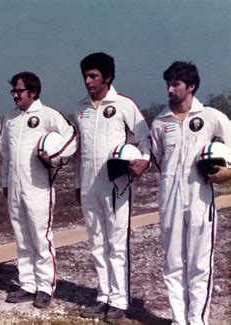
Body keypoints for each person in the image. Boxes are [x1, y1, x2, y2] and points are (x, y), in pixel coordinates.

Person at [71, 52, 151, 322]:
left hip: (116, 184)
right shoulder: (80, 109)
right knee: (96, 242)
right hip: (88, 185)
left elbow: (145, 138)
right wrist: (76, 183)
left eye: (93, 76)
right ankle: (103, 295)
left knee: (117, 243)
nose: (88, 81)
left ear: (108, 77)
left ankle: (119, 301)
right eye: (85, 75)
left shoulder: (123, 104)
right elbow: (78, 151)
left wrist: (144, 161)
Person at [151, 61, 231, 325]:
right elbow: (160, 159)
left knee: (199, 263)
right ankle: (178, 319)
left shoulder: (211, 116)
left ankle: (197, 319)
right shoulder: (160, 122)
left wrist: (228, 173)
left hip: (200, 197)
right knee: (173, 263)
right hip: (169, 198)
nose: (170, 90)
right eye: (168, 84)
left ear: (191, 86)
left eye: (175, 84)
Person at [0, 71, 77, 308]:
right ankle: (27, 284)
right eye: (13, 91)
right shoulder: (11, 119)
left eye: (19, 91)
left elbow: (71, 137)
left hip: (39, 187)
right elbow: (5, 154)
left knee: (40, 237)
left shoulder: (47, 114)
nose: (15, 95)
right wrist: (5, 183)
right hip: (15, 186)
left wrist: (55, 156)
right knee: (22, 238)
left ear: (32, 92)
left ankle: (45, 286)